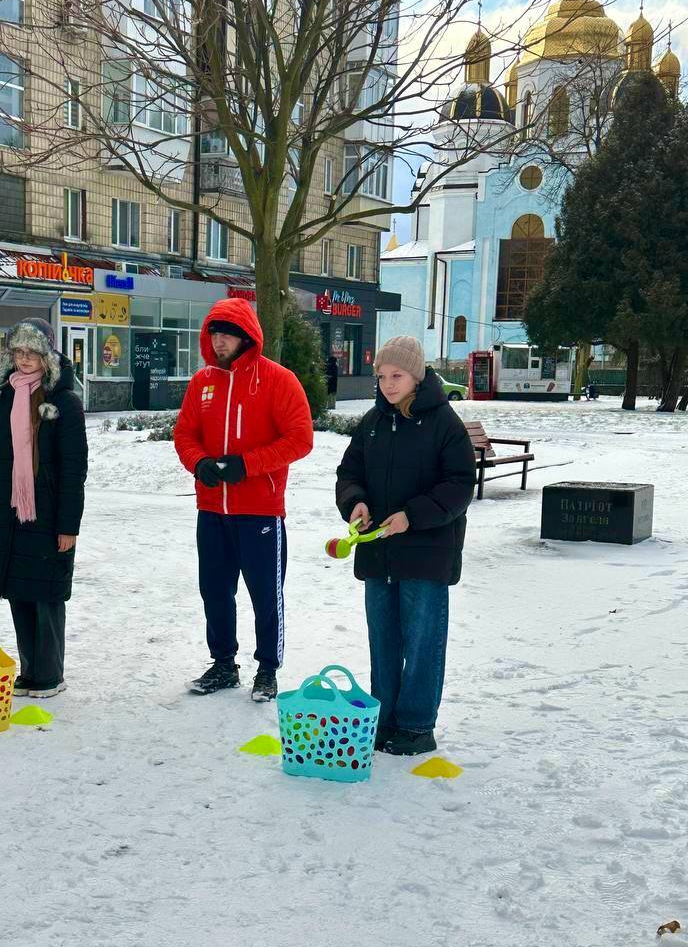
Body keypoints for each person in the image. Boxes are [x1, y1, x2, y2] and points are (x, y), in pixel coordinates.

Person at [335, 335, 475, 755]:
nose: (388, 384)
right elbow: (349, 472)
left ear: (416, 375)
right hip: (378, 553)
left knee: (422, 642)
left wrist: (412, 516)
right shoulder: (373, 422)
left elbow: (459, 485)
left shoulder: (444, 423)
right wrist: (355, 503)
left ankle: (416, 726)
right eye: (381, 376)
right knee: (384, 641)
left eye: (396, 375)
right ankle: (383, 719)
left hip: (426, 555)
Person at [174, 296, 314, 702]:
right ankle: (223, 664)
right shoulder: (202, 383)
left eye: (228, 334)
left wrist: (247, 465)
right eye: (214, 333)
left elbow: (300, 439)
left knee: (265, 595)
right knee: (215, 590)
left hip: (260, 511)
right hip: (211, 509)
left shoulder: (278, 380)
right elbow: (184, 434)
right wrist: (198, 462)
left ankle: (267, 669)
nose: (219, 341)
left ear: (247, 336)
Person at [0, 318, 88, 699]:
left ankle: (50, 674)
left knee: (45, 595)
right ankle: (30, 671)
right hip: (9, 510)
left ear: (47, 356)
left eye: (32, 353)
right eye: (18, 352)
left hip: (47, 512)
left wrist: (69, 525)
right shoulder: (5, 397)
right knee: (18, 590)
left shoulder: (64, 403)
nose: (24, 359)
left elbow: (73, 469)